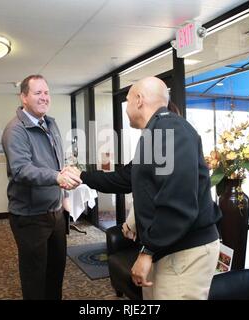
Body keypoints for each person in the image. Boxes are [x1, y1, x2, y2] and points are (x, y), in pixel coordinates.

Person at [62, 77, 221, 300]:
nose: (126, 109)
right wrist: (83, 176)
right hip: (167, 248)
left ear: (138, 100)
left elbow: (177, 203)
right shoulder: (155, 132)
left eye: (126, 101)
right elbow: (125, 178)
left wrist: (147, 252)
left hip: (184, 251)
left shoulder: (169, 129)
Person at [2, 74, 81, 300]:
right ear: (24, 97)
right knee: (35, 278)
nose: (44, 97)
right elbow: (21, 170)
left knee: (55, 273)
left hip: (55, 213)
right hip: (30, 217)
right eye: (38, 93)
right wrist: (57, 178)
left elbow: (57, 163)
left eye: (46, 92)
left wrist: (64, 195)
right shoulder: (15, 130)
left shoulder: (50, 123)